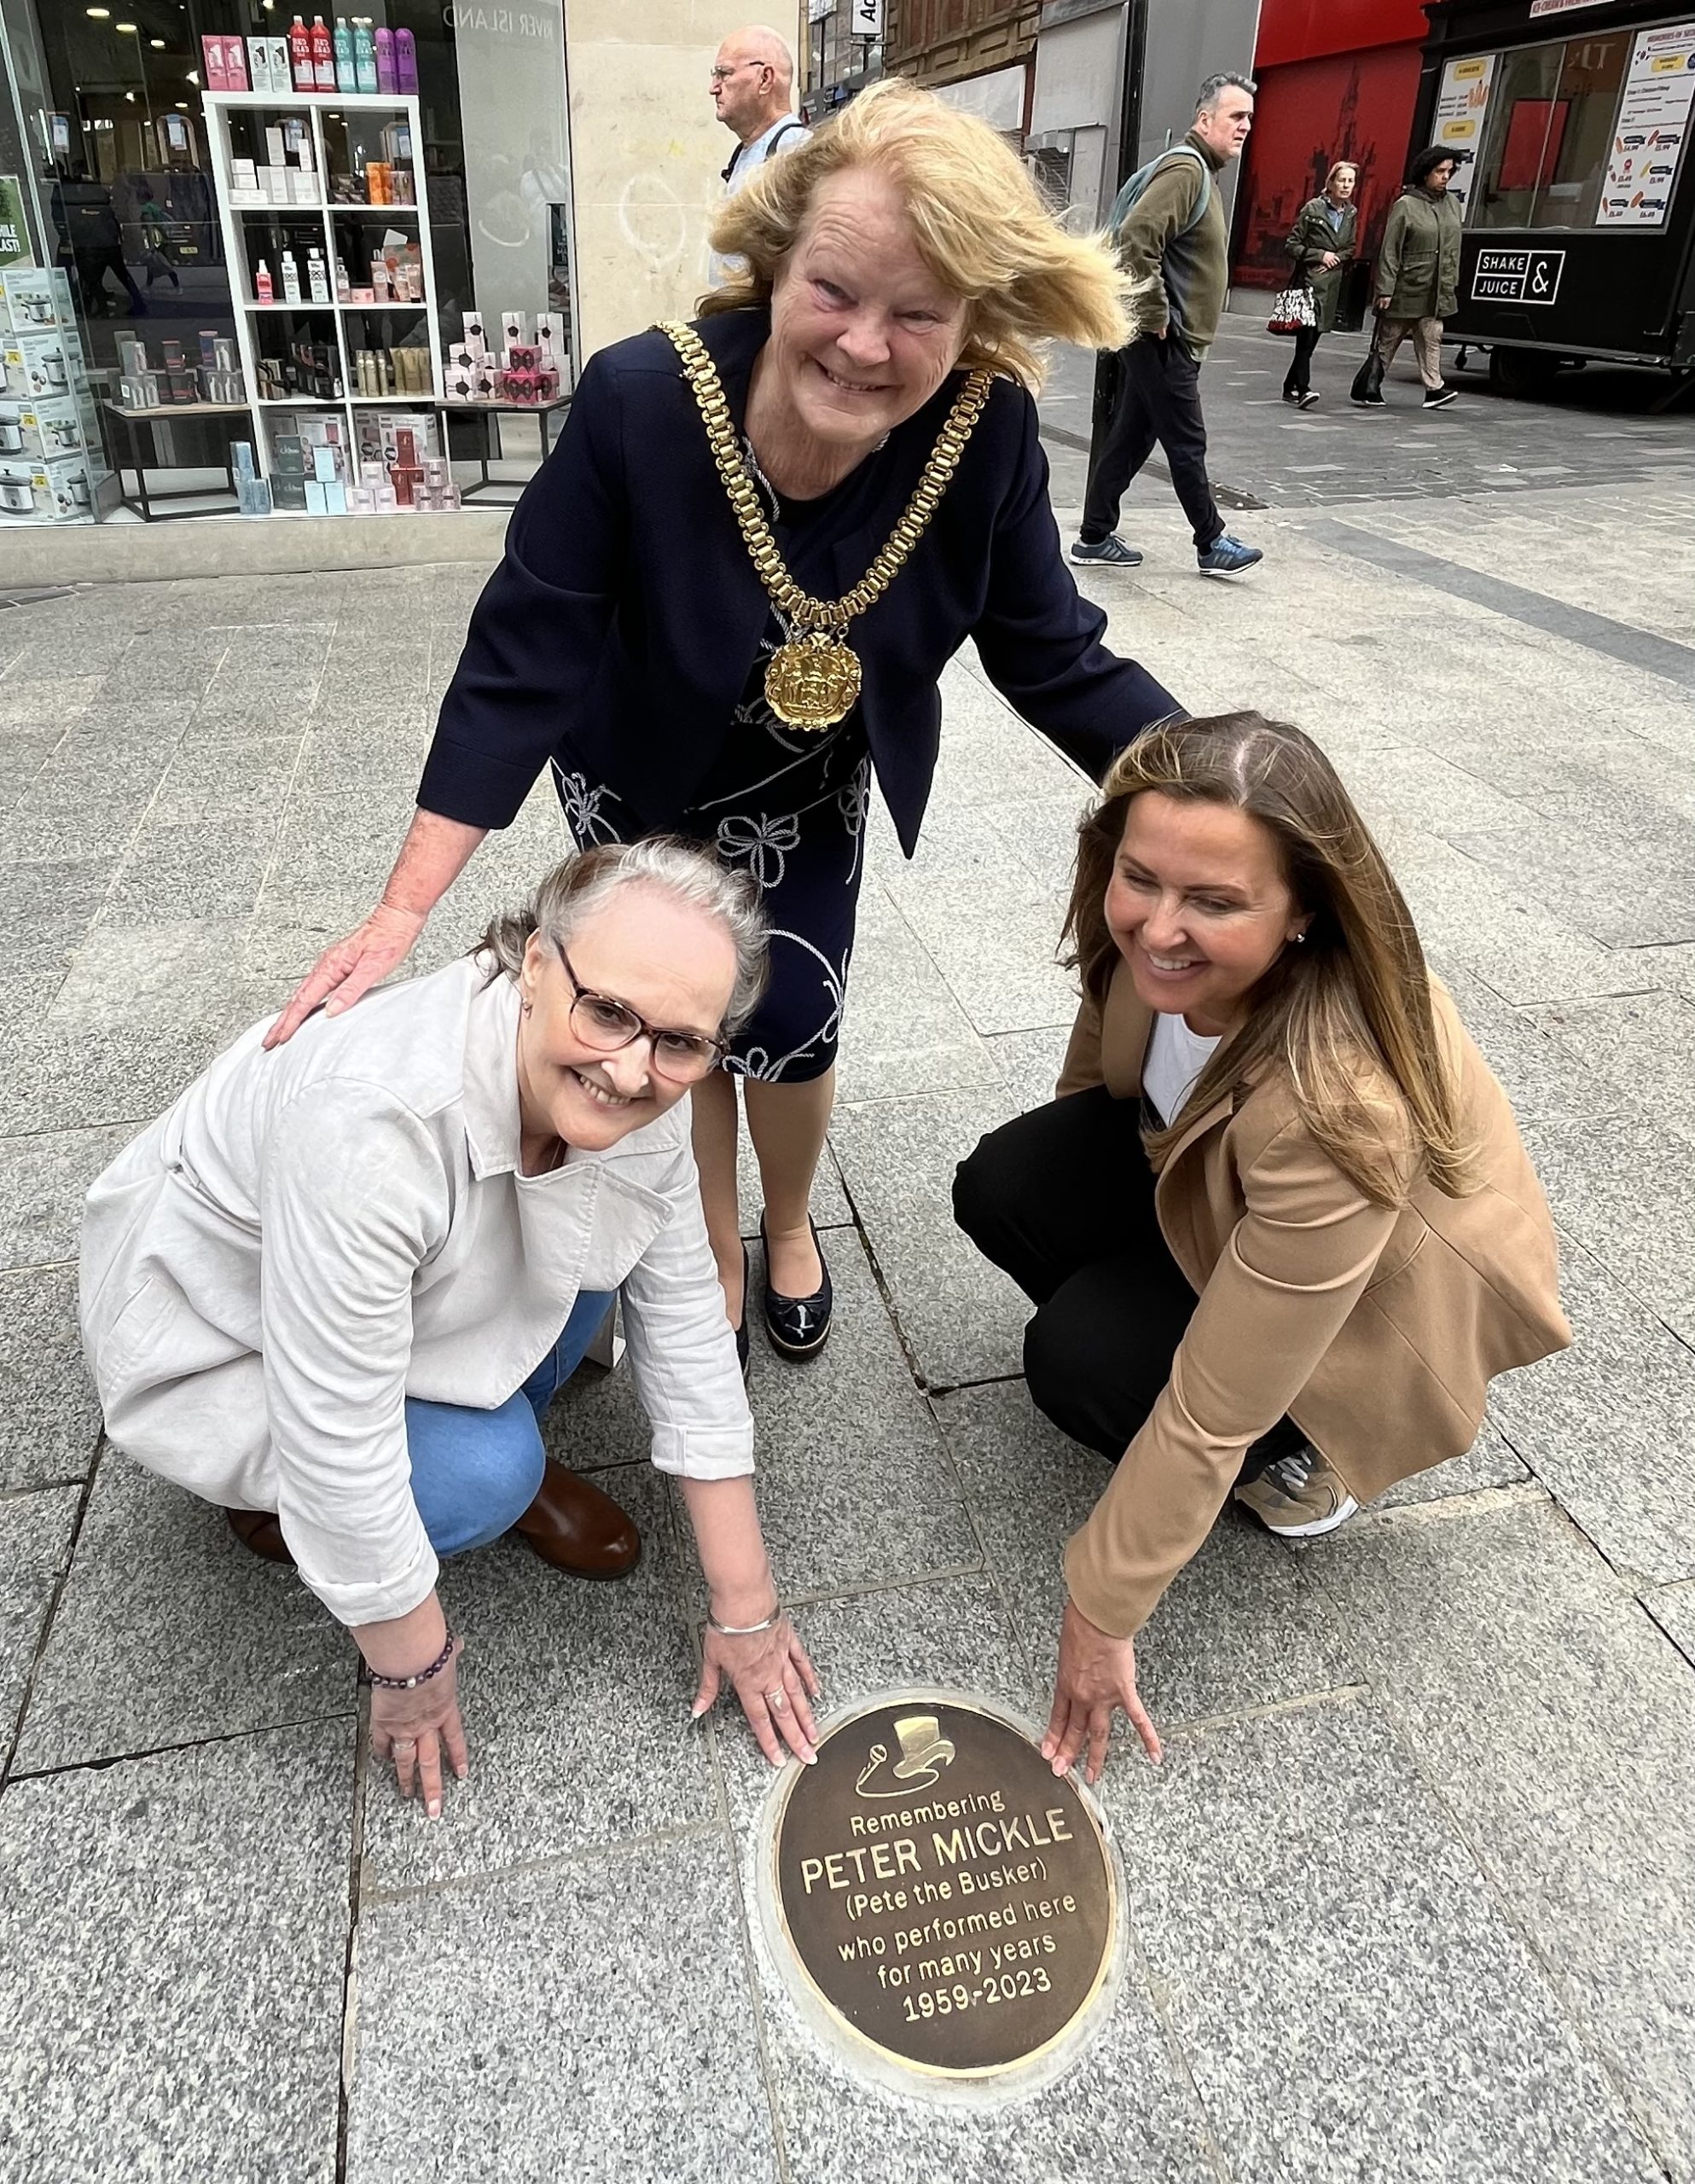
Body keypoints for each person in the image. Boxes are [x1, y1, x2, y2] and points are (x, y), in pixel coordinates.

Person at [266, 79, 1179, 1377]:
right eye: (833, 292)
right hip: (637, 771)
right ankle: (699, 1237)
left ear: (972, 317)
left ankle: (788, 1221)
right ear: (777, 262)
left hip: (805, 782)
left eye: (918, 313)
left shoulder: (983, 432)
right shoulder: (641, 399)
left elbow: (1056, 658)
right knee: (671, 1014)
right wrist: (399, 911)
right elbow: (523, 654)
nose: (864, 345)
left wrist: (1241, 789)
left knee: (793, 1018)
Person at [79, 841, 822, 1817]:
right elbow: (336, 1432)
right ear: (536, 963)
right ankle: (275, 1506)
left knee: (610, 1232)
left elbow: (684, 1315)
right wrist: (410, 1668)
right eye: (607, 1011)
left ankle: (482, 1425)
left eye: (680, 1042)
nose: (631, 1068)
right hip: (222, 1324)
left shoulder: (638, 1083)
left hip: (393, 1279)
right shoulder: (369, 1125)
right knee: (485, 1472)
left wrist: (747, 1606)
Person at [952, 712, 1571, 1784]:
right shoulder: (1141, 938)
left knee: (1080, 1361)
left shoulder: (1335, 1106)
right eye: (1139, 878)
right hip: (1213, 1179)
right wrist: (1076, 1209)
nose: (1158, 927)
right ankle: (1151, 1327)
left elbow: (1208, 1410)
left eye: (1214, 902)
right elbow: (1098, 1084)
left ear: (1303, 913)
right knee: (1004, 1185)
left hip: (1371, 1316)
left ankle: (1304, 1452)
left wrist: (1101, 1609)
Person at [1071, 73, 1262, 578]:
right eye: (1235, 116)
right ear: (1205, 119)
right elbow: (1137, 238)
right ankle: (1211, 540)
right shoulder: (1187, 170)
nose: (1245, 126)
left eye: (1249, 117)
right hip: (1165, 338)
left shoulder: (1201, 172)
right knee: (1186, 441)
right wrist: (1156, 315)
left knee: (1132, 438)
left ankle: (1094, 535)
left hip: (1166, 337)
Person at [1353, 147, 1462, 412]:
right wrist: (1385, 289)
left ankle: (1434, 388)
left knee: (1432, 337)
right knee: (1389, 339)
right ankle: (1370, 384)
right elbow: (1390, 249)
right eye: (1440, 171)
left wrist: (1451, 282)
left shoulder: (1452, 203)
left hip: (1437, 288)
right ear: (1425, 173)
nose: (1445, 177)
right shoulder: (1406, 205)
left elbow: (1454, 247)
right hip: (1407, 286)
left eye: (1449, 171)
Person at [709, 26, 810, 287]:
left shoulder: (796, 152)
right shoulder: (749, 150)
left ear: (765, 79)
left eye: (724, 74)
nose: (713, 88)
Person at [1280, 160, 1357, 409]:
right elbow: (1292, 245)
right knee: (1306, 337)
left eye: (1351, 181)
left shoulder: (1351, 213)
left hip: (1331, 285)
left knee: (1312, 341)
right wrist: (1319, 255)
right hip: (1309, 283)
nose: (1346, 185)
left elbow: (1350, 247)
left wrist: (1336, 260)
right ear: (1331, 183)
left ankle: (1289, 386)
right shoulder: (1313, 209)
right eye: (1342, 180)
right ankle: (1303, 389)